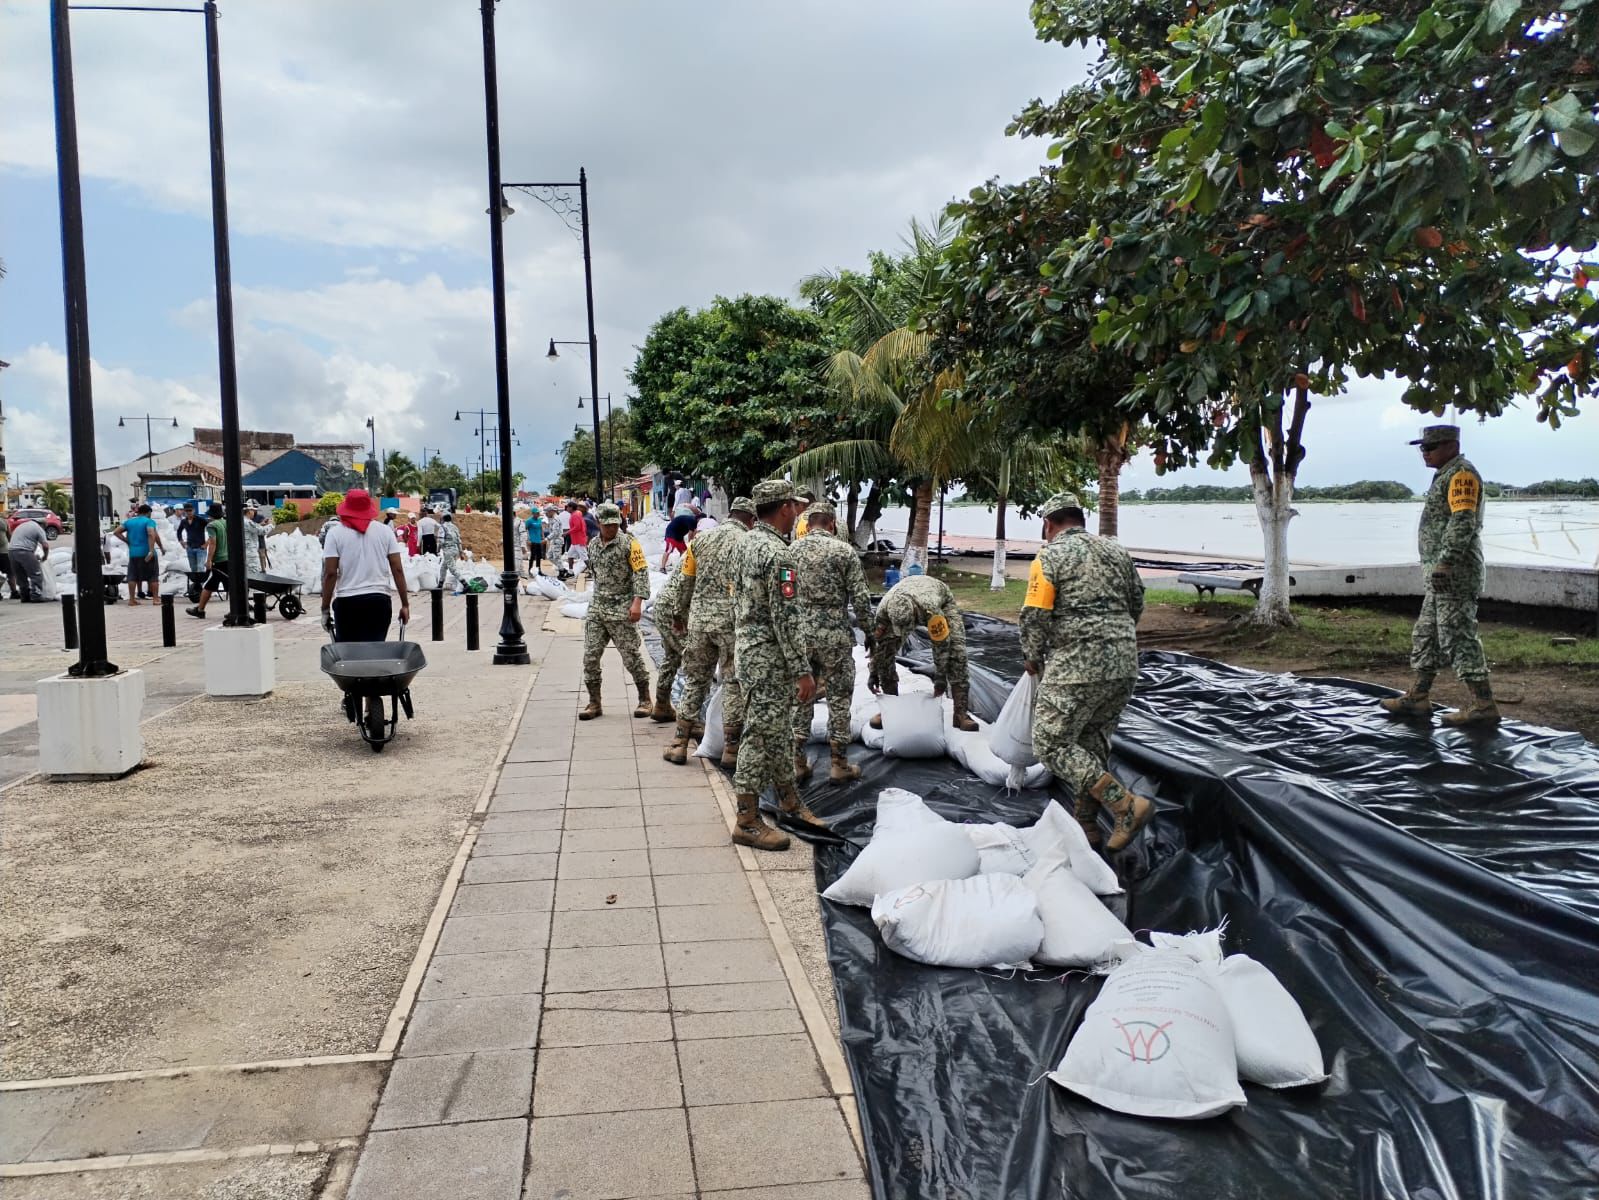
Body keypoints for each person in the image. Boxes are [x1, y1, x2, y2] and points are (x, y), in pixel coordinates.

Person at [1020, 495, 1153, 853]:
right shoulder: (1116, 552)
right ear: (1080, 520)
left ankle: (1125, 804)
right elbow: (1137, 601)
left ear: (1048, 525)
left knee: (1051, 744)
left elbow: (1035, 615)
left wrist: (1032, 656)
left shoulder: (1049, 556)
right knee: (1092, 743)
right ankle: (1087, 826)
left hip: (1076, 666)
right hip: (1124, 664)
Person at [729, 479, 828, 850]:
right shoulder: (778, 554)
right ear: (785, 507)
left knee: (777, 731)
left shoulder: (746, 543)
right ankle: (747, 820)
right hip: (769, 657)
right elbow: (785, 619)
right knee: (759, 733)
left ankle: (789, 801)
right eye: (795, 506)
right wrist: (802, 670)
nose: (798, 513)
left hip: (749, 650)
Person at [1380, 424, 1499, 727]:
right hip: (1440, 575)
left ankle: (1483, 704)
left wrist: (1446, 562)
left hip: (1455, 574)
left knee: (1458, 636)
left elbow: (1462, 522)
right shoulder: (1445, 475)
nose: (1425, 453)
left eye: (1430, 447)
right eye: (1422, 448)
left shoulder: (1462, 476)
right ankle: (1418, 696)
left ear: (1451, 446)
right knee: (1427, 635)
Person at [664, 496, 755, 767]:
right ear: (750, 520)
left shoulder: (700, 541)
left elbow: (685, 582)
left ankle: (679, 744)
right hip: (732, 624)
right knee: (732, 683)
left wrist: (679, 616)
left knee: (695, 681)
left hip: (700, 622)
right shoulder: (749, 543)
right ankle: (731, 750)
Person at [788, 500, 873, 784]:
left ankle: (797, 760)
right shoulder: (844, 551)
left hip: (800, 637)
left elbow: (782, 596)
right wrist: (869, 631)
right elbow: (861, 598)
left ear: (807, 524)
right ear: (833, 524)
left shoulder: (791, 552)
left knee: (801, 697)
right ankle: (839, 764)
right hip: (835, 637)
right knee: (839, 699)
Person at [868, 573, 980, 732]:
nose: (905, 632)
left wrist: (940, 678)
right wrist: (873, 673)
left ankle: (960, 714)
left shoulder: (931, 610)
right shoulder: (884, 611)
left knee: (957, 651)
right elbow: (879, 646)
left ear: (914, 613)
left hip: (940, 598)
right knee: (886, 653)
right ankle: (890, 710)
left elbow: (941, 644)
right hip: (908, 593)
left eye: (908, 625)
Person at [578, 502, 653, 721]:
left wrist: (637, 602)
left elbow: (641, 573)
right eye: (607, 525)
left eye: (615, 524)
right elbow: (594, 572)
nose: (612, 529)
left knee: (631, 656)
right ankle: (594, 702)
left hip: (622, 609)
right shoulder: (592, 545)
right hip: (598, 608)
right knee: (590, 656)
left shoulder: (630, 544)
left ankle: (645, 699)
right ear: (599, 523)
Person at [649, 557, 693, 724]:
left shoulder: (698, 545)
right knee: (695, 660)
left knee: (672, 656)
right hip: (676, 609)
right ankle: (690, 719)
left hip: (664, 605)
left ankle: (662, 704)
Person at [186, 507, 234, 619]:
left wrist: (209, 560)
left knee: (229, 586)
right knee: (211, 584)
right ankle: (200, 609)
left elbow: (213, 543)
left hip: (219, 559)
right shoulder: (226, 522)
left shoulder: (211, 525)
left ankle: (235, 610)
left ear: (211, 515)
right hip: (228, 558)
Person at [115, 503, 163, 606]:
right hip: (147, 553)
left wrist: (127, 541)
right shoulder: (149, 521)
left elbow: (116, 532)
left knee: (132, 576)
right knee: (153, 576)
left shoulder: (129, 522)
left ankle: (131, 600)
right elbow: (152, 534)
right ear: (148, 512)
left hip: (134, 554)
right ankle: (155, 599)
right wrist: (152, 550)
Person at [8, 517, 49, 602]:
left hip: (11, 552)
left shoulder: (23, 525)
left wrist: (32, 556)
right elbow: (45, 546)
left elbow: (22, 541)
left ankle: (25, 596)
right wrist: (45, 556)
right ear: (43, 525)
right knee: (36, 574)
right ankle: (36, 596)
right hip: (24, 552)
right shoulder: (38, 528)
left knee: (21, 576)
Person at [660, 505, 698, 570]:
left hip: (679, 536)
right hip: (671, 534)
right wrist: (690, 543)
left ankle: (682, 566)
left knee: (684, 551)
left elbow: (693, 533)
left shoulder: (692, 520)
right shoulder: (692, 521)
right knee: (669, 550)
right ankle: (662, 567)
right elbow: (690, 534)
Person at [177, 504, 207, 574]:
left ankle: (200, 584)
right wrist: (181, 542)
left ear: (194, 510)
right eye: (186, 511)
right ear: (184, 511)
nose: (188, 512)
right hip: (190, 548)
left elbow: (212, 530)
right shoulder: (184, 521)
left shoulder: (200, 520)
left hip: (201, 548)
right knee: (193, 568)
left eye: (190, 510)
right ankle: (196, 583)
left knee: (200, 568)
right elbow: (179, 531)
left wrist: (207, 543)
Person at [241, 502, 271, 573]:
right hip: (250, 554)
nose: (254, 512)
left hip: (245, 552)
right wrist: (271, 525)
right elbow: (262, 531)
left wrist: (260, 524)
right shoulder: (247, 522)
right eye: (253, 510)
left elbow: (254, 528)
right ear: (248, 512)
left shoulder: (242, 521)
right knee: (254, 575)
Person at [438, 512, 464, 591]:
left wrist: (438, 549)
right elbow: (459, 541)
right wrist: (461, 552)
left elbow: (441, 541)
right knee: (443, 568)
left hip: (448, 551)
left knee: (453, 569)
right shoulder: (455, 527)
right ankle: (440, 584)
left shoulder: (442, 527)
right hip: (455, 550)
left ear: (443, 519)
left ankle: (465, 584)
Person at [524, 507, 544, 576]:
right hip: (532, 541)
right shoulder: (529, 521)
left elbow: (541, 528)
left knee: (539, 556)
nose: (538, 514)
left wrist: (543, 537)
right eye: (536, 513)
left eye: (538, 513)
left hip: (538, 541)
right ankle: (530, 570)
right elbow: (525, 530)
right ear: (533, 514)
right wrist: (527, 539)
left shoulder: (539, 520)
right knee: (532, 556)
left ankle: (539, 570)